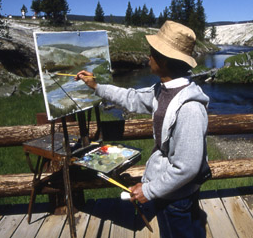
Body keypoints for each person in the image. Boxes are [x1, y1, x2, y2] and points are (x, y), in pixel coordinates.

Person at [76, 20, 209, 237]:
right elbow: (132, 98)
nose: (147, 57)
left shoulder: (191, 109)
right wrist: (97, 87)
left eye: (152, 52)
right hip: (170, 190)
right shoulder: (162, 90)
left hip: (176, 196)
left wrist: (149, 190)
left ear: (164, 60)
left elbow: (187, 167)